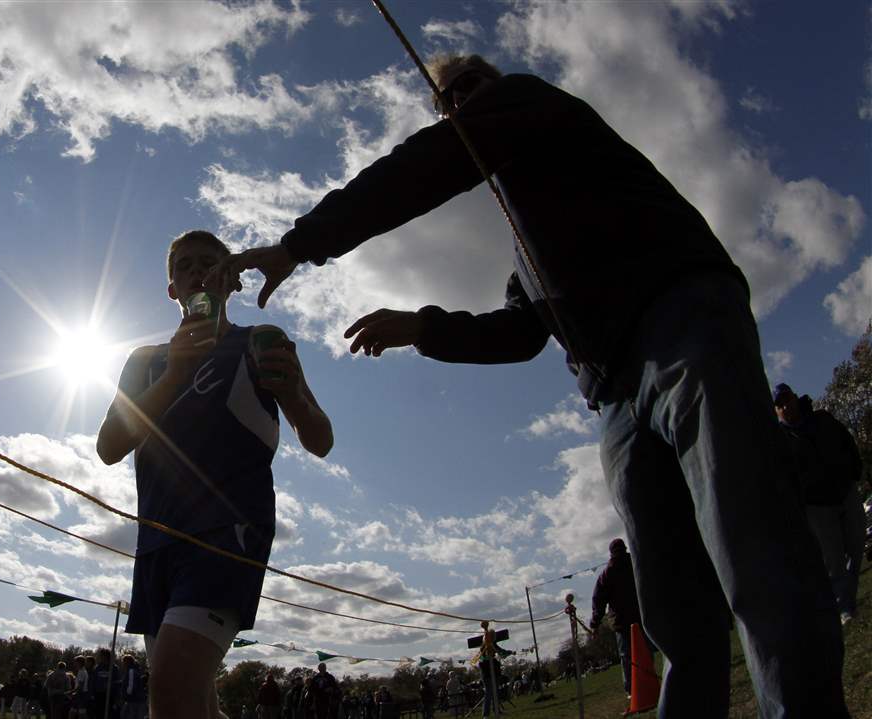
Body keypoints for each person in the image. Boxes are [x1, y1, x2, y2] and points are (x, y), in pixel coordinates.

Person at [213, 52, 848, 718]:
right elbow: (520, 333)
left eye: (469, 88)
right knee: (672, 600)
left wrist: (300, 242)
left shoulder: (534, 104)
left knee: (750, 533)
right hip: (614, 392)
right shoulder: (525, 241)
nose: (461, 104)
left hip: (681, 317)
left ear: (495, 86)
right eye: (447, 101)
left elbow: (434, 161)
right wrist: (421, 327)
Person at [97, 229, 333, 719]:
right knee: (196, 700)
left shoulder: (261, 341)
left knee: (173, 692)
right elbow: (108, 447)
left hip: (229, 534)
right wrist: (174, 376)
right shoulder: (143, 361)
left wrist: (292, 397)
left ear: (232, 280)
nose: (199, 271)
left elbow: (320, 439)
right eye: (186, 265)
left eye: (211, 262)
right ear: (171, 288)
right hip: (157, 540)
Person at [774, 383, 865, 624]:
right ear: (777, 411)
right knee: (833, 561)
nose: (786, 406)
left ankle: (849, 597)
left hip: (845, 491)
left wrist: (854, 470)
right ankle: (845, 609)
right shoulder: (781, 442)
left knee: (856, 547)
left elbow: (847, 441)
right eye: (780, 404)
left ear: (795, 397)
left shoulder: (822, 419)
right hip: (817, 507)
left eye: (787, 400)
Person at [589, 538, 652, 697]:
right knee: (647, 651)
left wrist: (595, 623)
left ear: (611, 553)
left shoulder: (607, 573)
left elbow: (599, 600)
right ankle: (651, 683)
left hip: (622, 621)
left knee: (626, 657)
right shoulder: (636, 562)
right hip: (642, 616)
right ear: (624, 549)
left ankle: (631, 690)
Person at [118, 654, 146, 719]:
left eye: (124, 662)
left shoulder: (131, 671)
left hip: (133, 700)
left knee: (127, 715)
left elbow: (131, 686)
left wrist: (125, 696)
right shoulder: (134, 670)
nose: (123, 664)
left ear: (127, 662)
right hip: (135, 700)